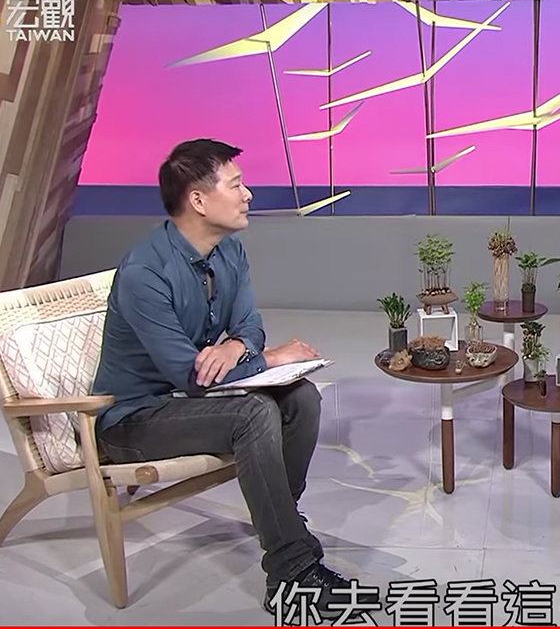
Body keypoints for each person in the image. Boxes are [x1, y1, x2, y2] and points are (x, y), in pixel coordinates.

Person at [92, 139, 374, 617]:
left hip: (182, 403)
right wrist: (269, 356)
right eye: (237, 185)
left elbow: (248, 324)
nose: (248, 195)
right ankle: (291, 571)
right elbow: (193, 377)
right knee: (253, 412)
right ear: (198, 200)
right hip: (132, 421)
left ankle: (284, 525)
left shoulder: (230, 251)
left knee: (301, 397)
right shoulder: (145, 272)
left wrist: (237, 347)